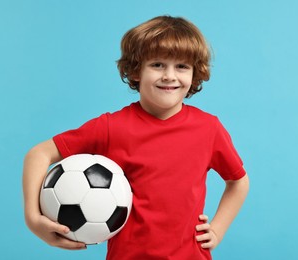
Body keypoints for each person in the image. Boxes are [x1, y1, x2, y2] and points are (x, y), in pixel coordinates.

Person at [23, 15, 249, 259]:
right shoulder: (112, 127)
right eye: (158, 65)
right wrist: (33, 218)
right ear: (135, 70)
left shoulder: (209, 128)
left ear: (195, 74)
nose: (169, 76)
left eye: (182, 66)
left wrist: (217, 229)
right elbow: (39, 154)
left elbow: (238, 181)